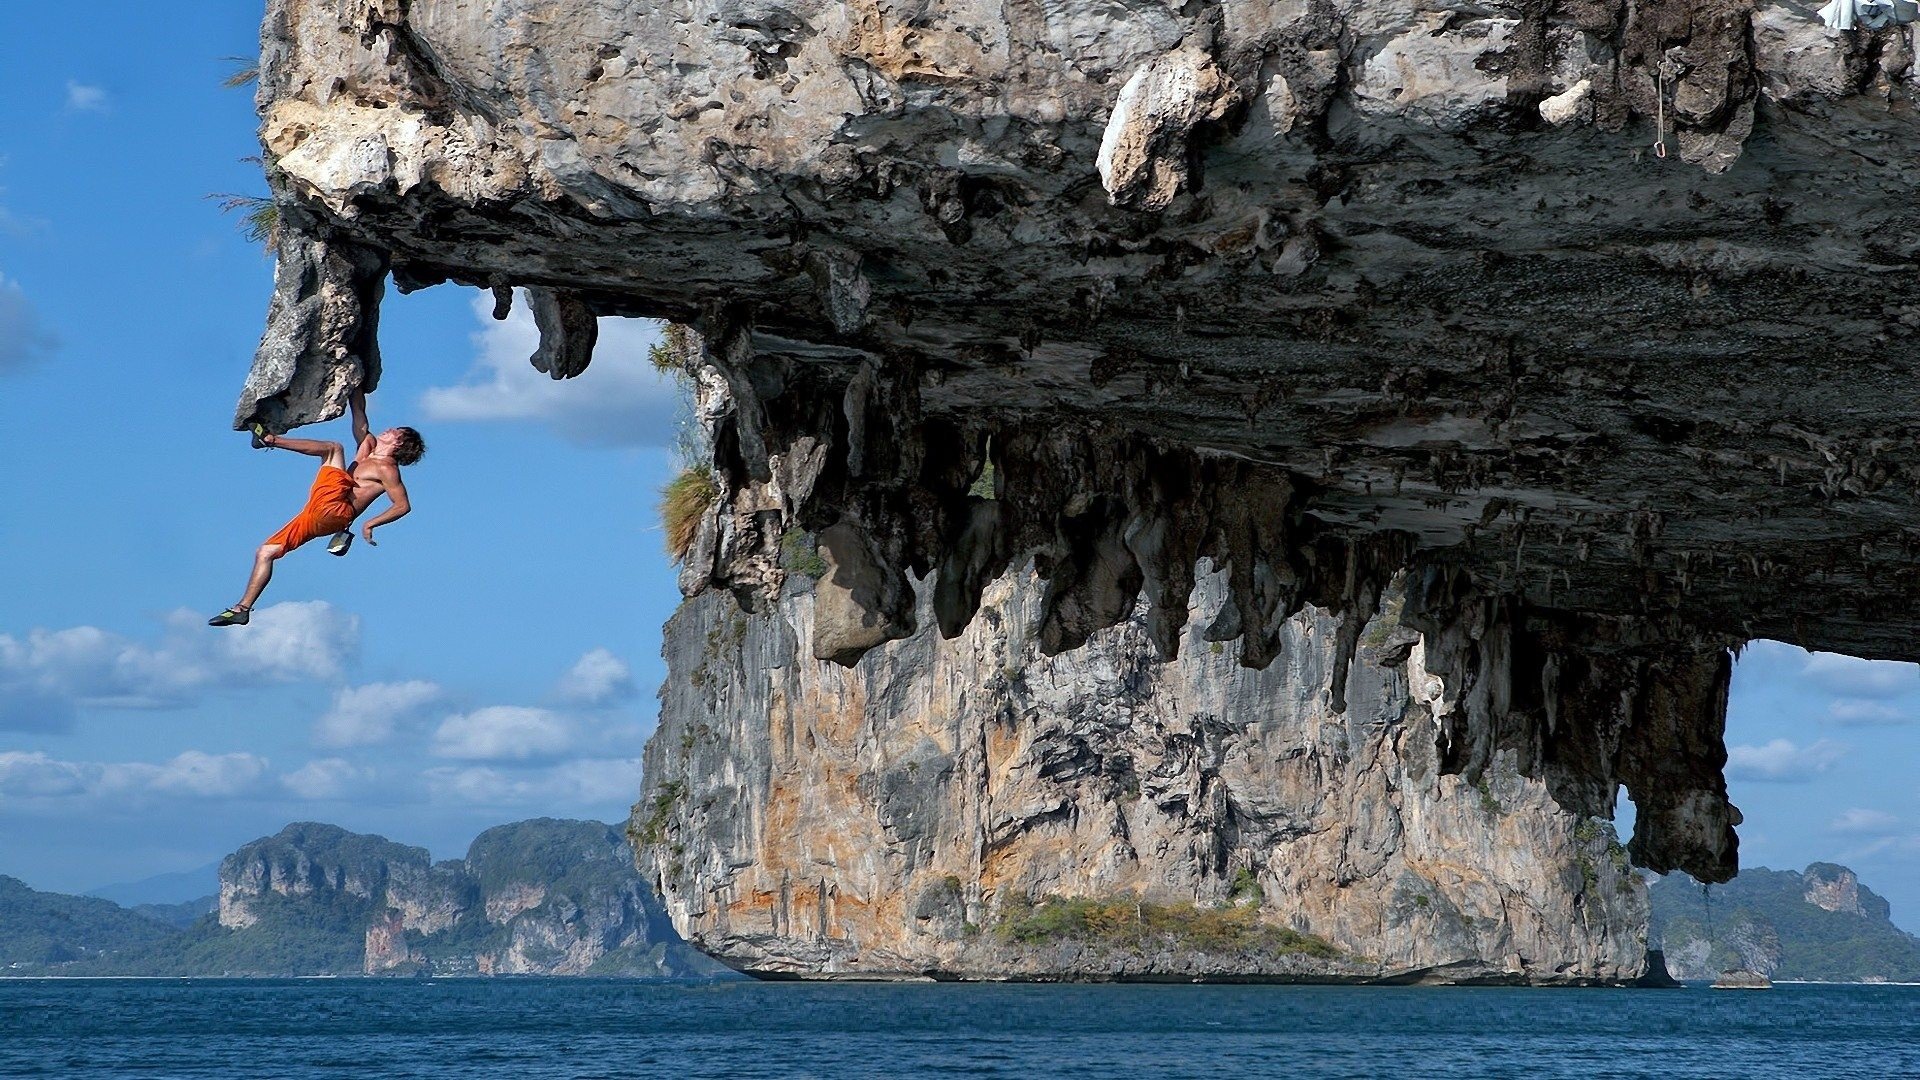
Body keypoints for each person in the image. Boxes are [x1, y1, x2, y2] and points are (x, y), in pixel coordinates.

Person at [208, 391, 424, 626]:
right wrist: (356, 382)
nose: (389, 428)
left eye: (395, 431)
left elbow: (403, 505)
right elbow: (359, 411)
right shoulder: (368, 447)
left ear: (399, 442)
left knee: (333, 449)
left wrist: (370, 523)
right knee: (265, 552)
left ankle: (270, 440)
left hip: (335, 510)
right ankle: (242, 609)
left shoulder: (387, 469)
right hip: (317, 515)